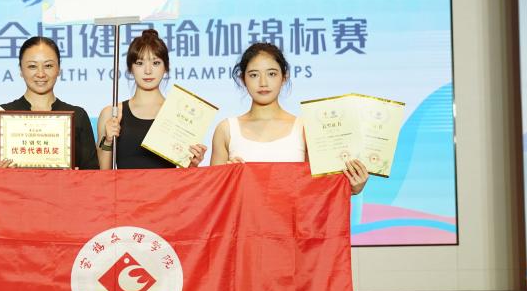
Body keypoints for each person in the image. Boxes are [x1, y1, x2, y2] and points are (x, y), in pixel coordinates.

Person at [210, 42, 369, 194]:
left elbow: (318, 192)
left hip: (293, 215)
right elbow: (213, 196)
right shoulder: (226, 129)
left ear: (284, 77)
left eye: (272, 74)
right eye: (254, 75)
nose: (263, 82)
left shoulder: (306, 128)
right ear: (243, 79)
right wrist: (227, 177)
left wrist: (352, 187)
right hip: (244, 214)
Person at [0, 36, 98, 169]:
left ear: (59, 69)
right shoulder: (1, 115)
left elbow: (92, 173)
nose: (41, 74)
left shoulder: (78, 116)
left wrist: (75, 176)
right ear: (21, 70)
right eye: (32, 66)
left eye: (48, 66)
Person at [96, 29, 206, 169]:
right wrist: (108, 141)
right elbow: (103, 174)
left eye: (156, 63)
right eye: (139, 63)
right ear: (130, 68)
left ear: (166, 67)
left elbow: (186, 177)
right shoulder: (112, 113)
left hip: (168, 184)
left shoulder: (180, 113)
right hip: (126, 185)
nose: (148, 71)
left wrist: (192, 164)